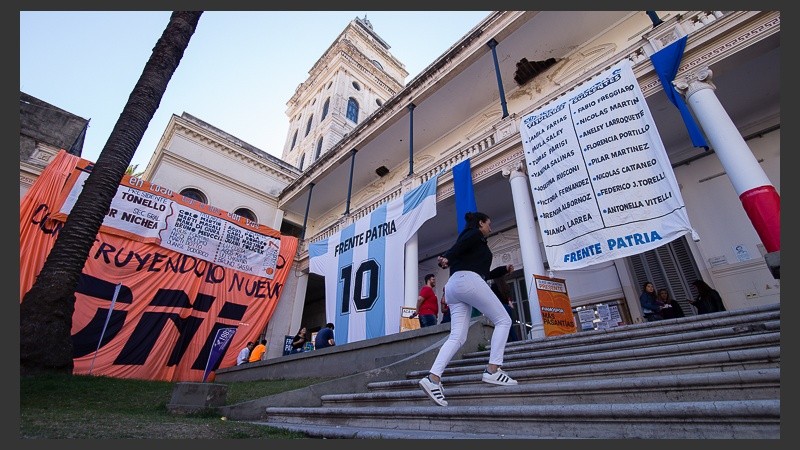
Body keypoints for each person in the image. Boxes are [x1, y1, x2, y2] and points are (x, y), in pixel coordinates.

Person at [418, 211, 518, 407]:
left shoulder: (476, 242)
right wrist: (447, 257)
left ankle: (433, 378)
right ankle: (493, 370)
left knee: (457, 336)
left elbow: (486, 273)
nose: (491, 227)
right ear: (480, 223)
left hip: (456, 285)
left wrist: (504, 270)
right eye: (489, 224)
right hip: (468, 281)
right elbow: (460, 245)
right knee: (504, 320)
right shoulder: (473, 234)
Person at [490, 271, 520, 342]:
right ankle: (515, 340)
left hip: (500, 307)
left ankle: (508, 341)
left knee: (502, 326)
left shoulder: (494, 286)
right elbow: (508, 298)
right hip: (507, 307)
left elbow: (493, 298)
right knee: (509, 325)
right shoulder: (505, 286)